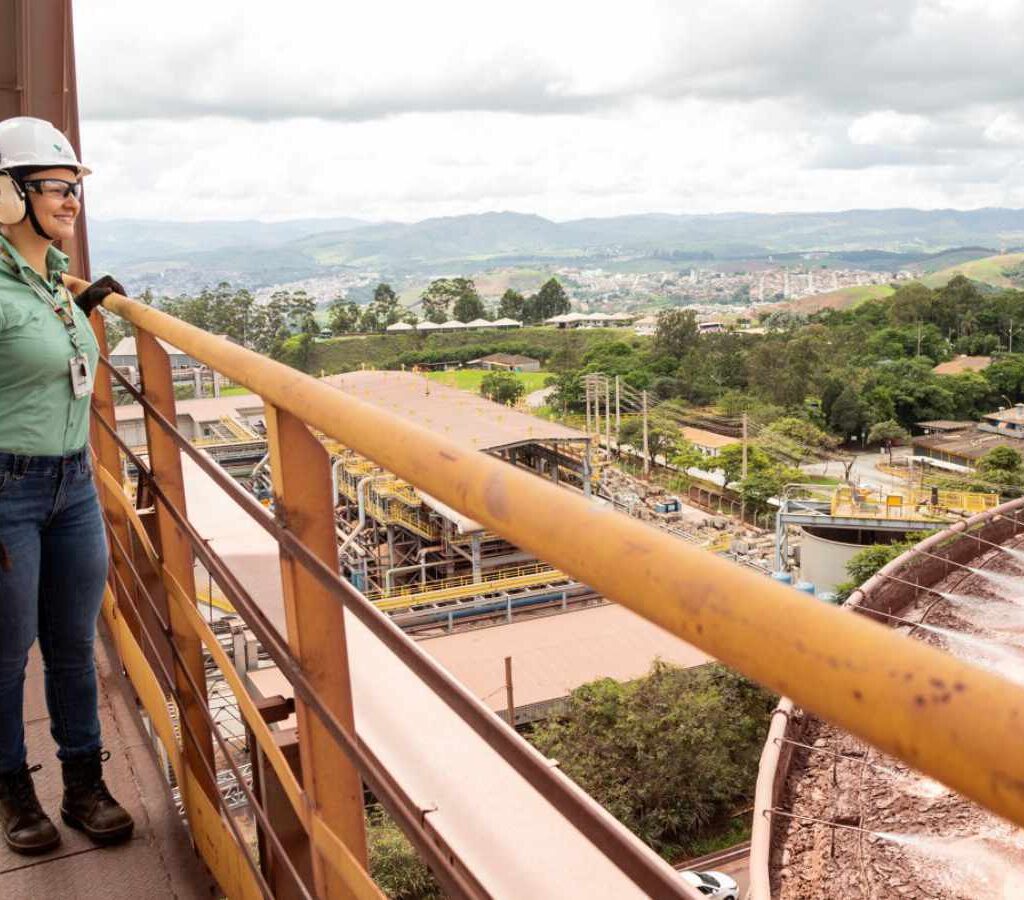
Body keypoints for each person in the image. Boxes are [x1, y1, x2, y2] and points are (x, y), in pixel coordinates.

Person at [0, 116, 133, 854]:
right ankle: (14, 793)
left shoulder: (50, 274)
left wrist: (77, 310)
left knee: (74, 645)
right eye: (57, 186)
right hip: (6, 489)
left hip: (73, 485)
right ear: (8, 194)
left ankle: (84, 786)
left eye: (75, 188)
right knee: (6, 653)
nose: (72, 200)